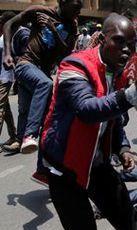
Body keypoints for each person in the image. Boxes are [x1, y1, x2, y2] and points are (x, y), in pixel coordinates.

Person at [39, 13, 137, 230]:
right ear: (103, 39)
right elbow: (87, 110)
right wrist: (134, 93)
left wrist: (122, 148)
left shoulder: (118, 72)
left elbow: (112, 119)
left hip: (96, 162)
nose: (126, 50)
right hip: (65, 166)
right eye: (119, 41)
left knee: (129, 219)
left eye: (131, 45)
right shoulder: (74, 65)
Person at [2, 0, 83, 184]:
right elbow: (9, 24)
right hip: (25, 65)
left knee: (50, 122)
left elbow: (65, 54)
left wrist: (53, 31)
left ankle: (42, 170)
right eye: (75, 7)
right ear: (63, 2)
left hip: (42, 74)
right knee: (45, 85)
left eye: (79, 9)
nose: (77, 12)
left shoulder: (71, 26)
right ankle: (29, 135)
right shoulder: (39, 11)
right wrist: (7, 53)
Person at [0, 12, 18, 152]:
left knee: (0, 108)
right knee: (5, 109)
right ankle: (13, 136)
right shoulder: (4, 38)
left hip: (5, 77)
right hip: (3, 77)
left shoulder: (10, 39)